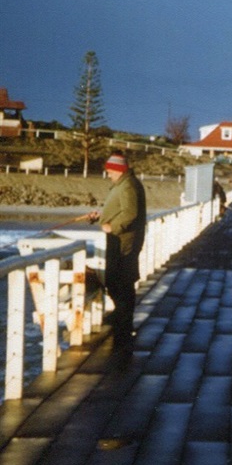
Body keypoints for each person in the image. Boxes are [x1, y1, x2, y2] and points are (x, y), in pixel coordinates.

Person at [87, 151, 146, 354]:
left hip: (123, 242)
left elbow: (131, 212)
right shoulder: (123, 184)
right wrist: (102, 216)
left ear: (119, 170)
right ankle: (122, 322)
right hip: (122, 240)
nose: (108, 175)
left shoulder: (128, 185)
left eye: (110, 171)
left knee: (118, 281)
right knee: (120, 282)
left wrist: (113, 227)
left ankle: (123, 326)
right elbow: (121, 209)